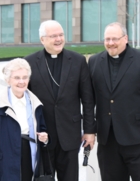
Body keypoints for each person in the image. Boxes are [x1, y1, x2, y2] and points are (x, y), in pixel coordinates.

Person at [25, 20, 96, 181]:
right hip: (42, 135)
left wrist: (90, 131)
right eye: (53, 36)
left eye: (61, 35)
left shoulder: (77, 60)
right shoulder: (29, 62)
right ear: (42, 39)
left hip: (70, 135)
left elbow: (88, 99)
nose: (58, 39)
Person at [0, 58, 49, 181]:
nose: (21, 81)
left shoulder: (35, 103)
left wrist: (44, 136)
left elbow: (42, 128)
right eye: (17, 78)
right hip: (6, 159)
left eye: (25, 77)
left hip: (29, 155)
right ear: (8, 80)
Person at [88, 22, 140, 181]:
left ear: (125, 38)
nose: (110, 43)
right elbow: (89, 99)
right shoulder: (94, 61)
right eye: (107, 39)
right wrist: (89, 130)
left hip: (136, 136)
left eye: (115, 39)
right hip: (107, 140)